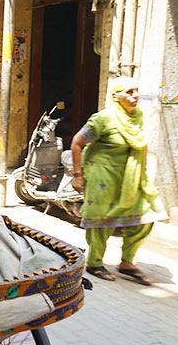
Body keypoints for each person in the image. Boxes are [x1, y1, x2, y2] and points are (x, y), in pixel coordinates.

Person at [71, 76, 166, 285]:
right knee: (101, 221)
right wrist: (77, 175)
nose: (135, 96)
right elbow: (77, 143)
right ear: (115, 96)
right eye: (129, 92)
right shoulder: (102, 119)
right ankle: (95, 262)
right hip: (102, 176)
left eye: (136, 91)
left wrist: (145, 173)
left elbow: (142, 146)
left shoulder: (139, 117)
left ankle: (127, 262)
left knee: (145, 217)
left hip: (131, 178)